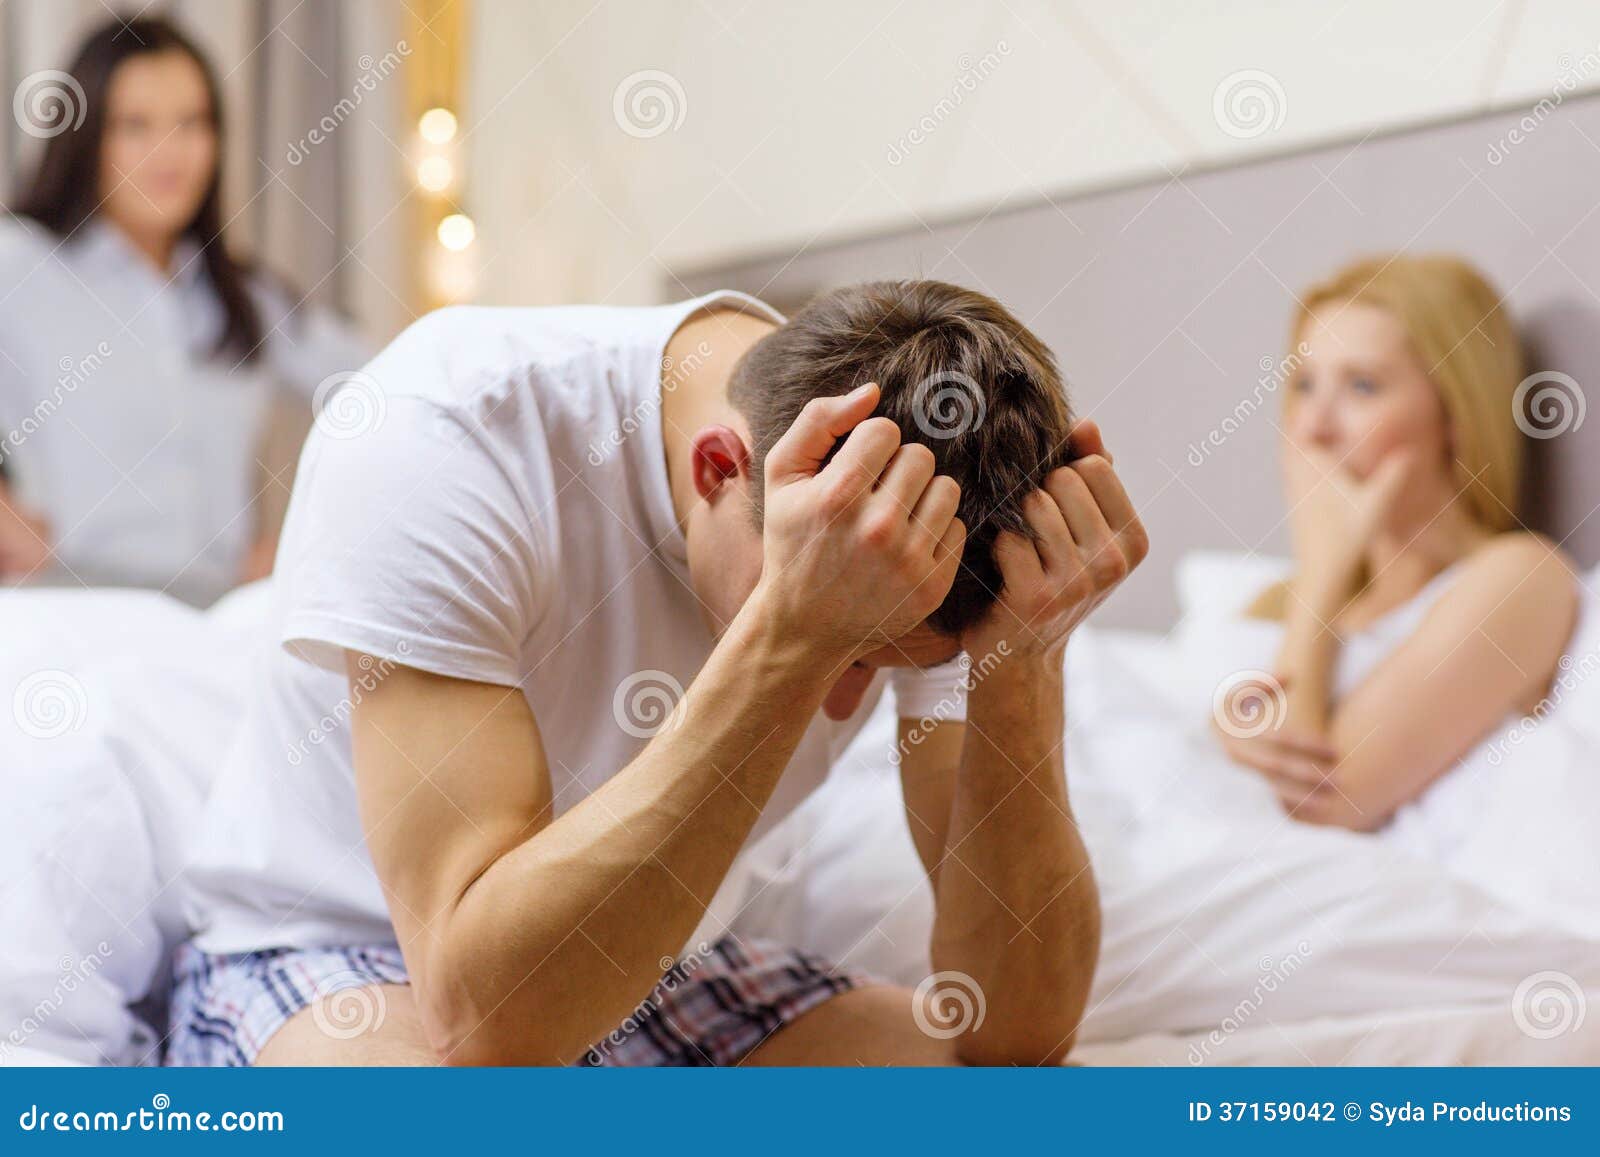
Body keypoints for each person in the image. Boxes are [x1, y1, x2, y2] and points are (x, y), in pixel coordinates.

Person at [173, 280, 1148, 1067]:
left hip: (655, 960)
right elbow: (486, 1025)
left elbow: (1015, 1034)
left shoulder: (909, 514)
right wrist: (790, 643)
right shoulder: (444, 431)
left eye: (875, 661)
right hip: (360, 956)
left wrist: (1021, 661)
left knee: (992, 1107)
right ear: (718, 467)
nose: (841, 701)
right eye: (842, 649)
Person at [0, 16, 369, 604]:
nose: (170, 154)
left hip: (217, 622)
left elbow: (389, 391)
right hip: (66, 607)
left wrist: (315, 539)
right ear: (87, 137)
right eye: (135, 126)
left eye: (192, 124)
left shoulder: (243, 296)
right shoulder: (20, 262)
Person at [1214, 254, 1578, 830]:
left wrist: (1326, 564)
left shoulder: (1520, 577)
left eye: (1362, 386)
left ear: (1454, 414)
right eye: (1305, 385)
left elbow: (1317, 803)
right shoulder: (1272, 600)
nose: (1314, 427)